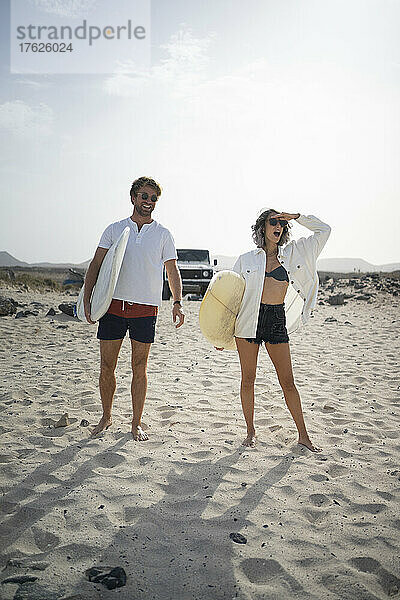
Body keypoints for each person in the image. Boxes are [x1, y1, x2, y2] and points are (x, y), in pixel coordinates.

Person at [83, 176, 185, 441]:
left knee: (139, 367)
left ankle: (136, 422)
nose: (148, 201)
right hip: (112, 306)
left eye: (153, 198)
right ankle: (106, 416)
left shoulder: (163, 234)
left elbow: (172, 270)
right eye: (144, 196)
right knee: (107, 366)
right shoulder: (115, 229)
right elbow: (96, 264)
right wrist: (87, 298)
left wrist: (177, 302)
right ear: (133, 197)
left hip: (145, 309)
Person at [229, 210, 331, 451]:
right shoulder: (246, 259)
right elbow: (231, 295)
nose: (278, 226)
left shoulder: (296, 252)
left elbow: (324, 230)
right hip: (248, 322)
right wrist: (222, 332)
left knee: (288, 382)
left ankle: (303, 436)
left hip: (276, 320)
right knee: (248, 380)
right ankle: (251, 432)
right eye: (273, 221)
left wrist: (295, 216)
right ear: (262, 227)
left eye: (282, 223)